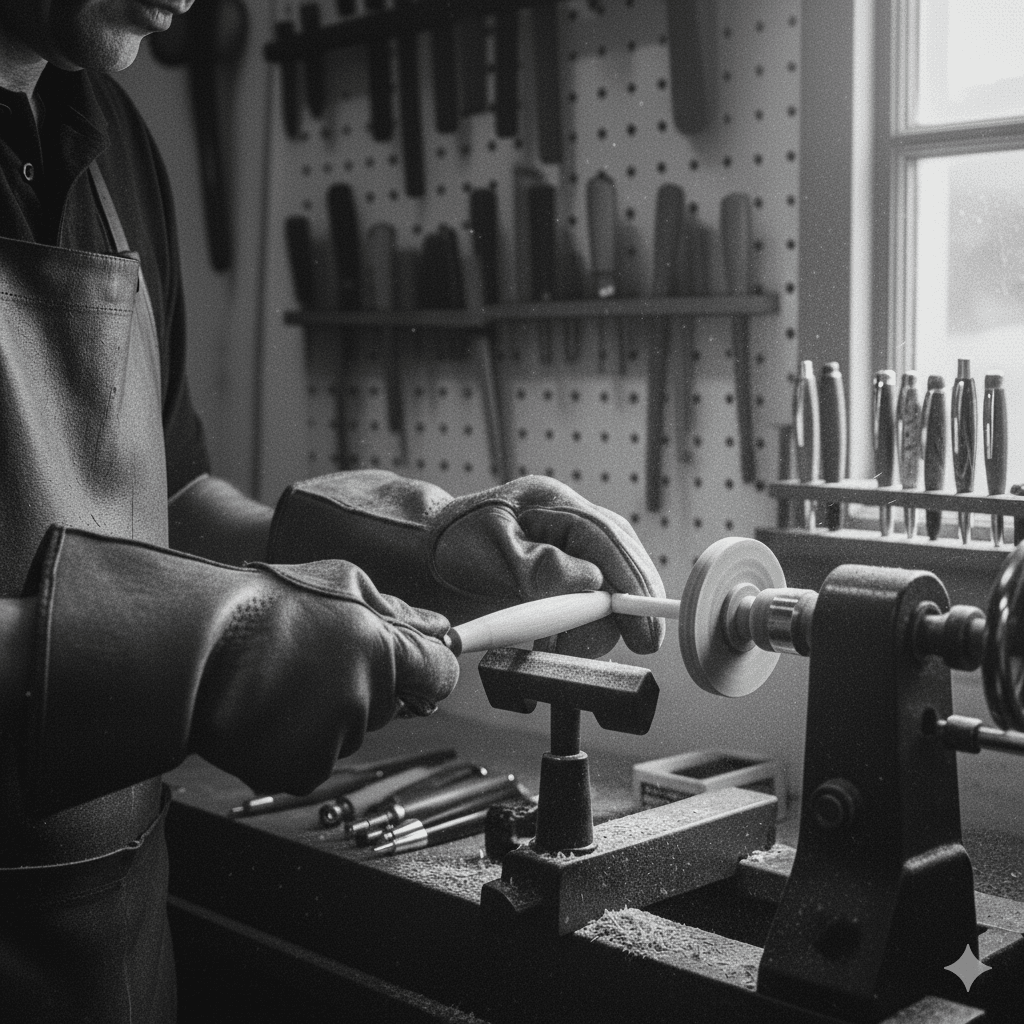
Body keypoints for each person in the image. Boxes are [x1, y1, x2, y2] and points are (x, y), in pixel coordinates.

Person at [0, 2, 667, 1021]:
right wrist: (200, 648)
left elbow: (164, 501)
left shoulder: (111, 132)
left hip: (116, 942)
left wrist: (413, 542)